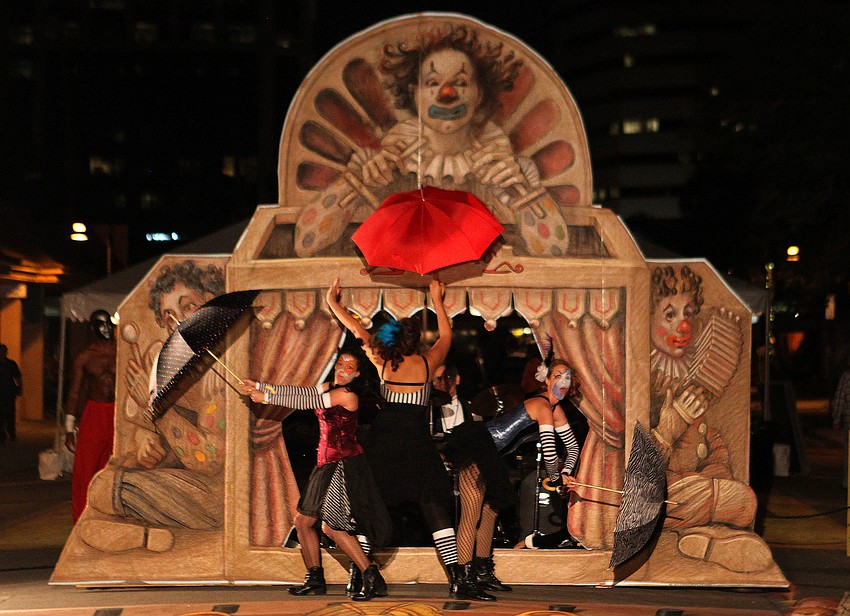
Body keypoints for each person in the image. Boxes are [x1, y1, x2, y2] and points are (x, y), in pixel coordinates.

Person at [294, 24, 569, 259]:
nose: (446, 94)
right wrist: (356, 184)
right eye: (433, 83)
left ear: (479, 92)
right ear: (416, 95)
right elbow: (306, 244)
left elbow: (554, 250)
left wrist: (519, 193)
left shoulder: (510, 168)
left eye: (460, 83)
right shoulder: (379, 164)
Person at [326, 277, 471, 599]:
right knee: (434, 509)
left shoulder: (382, 359)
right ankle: (457, 579)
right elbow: (447, 334)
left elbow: (357, 331)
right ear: (415, 341)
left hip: (384, 442)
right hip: (416, 442)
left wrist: (335, 304)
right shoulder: (427, 362)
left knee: (368, 508)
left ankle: (360, 575)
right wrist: (437, 297)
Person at [80, 260, 226, 552]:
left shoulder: (219, 371)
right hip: (178, 480)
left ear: (209, 303)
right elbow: (139, 425)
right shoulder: (172, 365)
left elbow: (209, 460)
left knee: (105, 490)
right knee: (101, 486)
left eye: (188, 307)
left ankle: (142, 536)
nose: (178, 321)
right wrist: (145, 440)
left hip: (213, 494)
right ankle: (144, 536)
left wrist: (154, 408)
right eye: (168, 315)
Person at [240, 343, 392, 601]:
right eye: (341, 365)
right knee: (303, 522)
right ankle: (315, 579)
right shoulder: (328, 388)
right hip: (324, 464)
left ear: (356, 375)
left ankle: (372, 575)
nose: (342, 371)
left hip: (343, 464)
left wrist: (266, 398)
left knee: (332, 527)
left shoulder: (347, 395)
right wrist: (261, 385)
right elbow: (301, 392)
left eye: (349, 368)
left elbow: (307, 401)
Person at [443, 355, 581, 581]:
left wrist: (566, 473)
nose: (563, 382)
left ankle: (482, 572)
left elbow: (573, 446)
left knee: (491, 511)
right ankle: (462, 580)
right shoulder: (542, 405)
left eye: (567, 377)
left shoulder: (556, 410)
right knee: (472, 513)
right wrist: (557, 480)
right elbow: (549, 451)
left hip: (493, 456)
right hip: (477, 446)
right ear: (546, 381)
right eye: (557, 376)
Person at [64, 310, 117, 523]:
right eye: (100, 324)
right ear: (92, 328)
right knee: (86, 469)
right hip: (95, 412)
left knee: (118, 467)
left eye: (108, 324)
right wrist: (69, 428)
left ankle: (113, 516)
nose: (106, 329)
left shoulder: (122, 351)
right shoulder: (85, 356)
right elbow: (75, 392)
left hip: (117, 413)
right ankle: (82, 521)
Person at [831, 362, 850, 489]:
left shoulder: (846, 376)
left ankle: (847, 481)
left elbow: (840, 397)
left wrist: (836, 418)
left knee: (849, 453)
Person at [0, 343, 22, 445]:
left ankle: (11, 433)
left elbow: (17, 377)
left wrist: (19, 388)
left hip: (9, 392)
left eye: (3, 351)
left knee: (10, 414)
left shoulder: (11, 364)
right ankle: (2, 435)